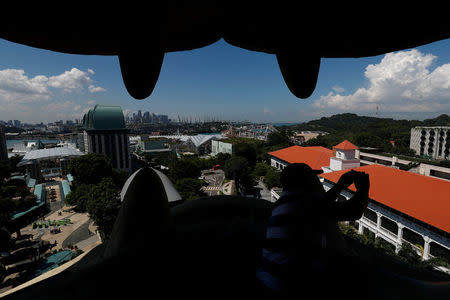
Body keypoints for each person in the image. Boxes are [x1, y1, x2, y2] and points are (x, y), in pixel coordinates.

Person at [256, 163, 370, 295]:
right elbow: (354, 211)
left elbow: (322, 204)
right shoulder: (306, 202)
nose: (317, 180)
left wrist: (341, 185)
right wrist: (363, 187)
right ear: (307, 182)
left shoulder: (286, 201)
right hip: (289, 283)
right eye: (313, 177)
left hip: (272, 276)